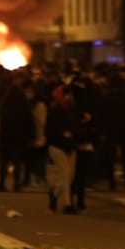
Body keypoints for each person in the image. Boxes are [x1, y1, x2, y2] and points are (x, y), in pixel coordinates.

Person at [45, 85, 81, 214]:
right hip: (57, 146)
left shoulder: (73, 109)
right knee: (65, 173)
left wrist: (75, 134)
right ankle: (67, 205)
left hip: (71, 147)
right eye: (66, 94)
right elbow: (48, 130)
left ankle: (54, 193)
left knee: (69, 177)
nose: (69, 97)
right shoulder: (54, 111)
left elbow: (77, 126)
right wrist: (62, 133)